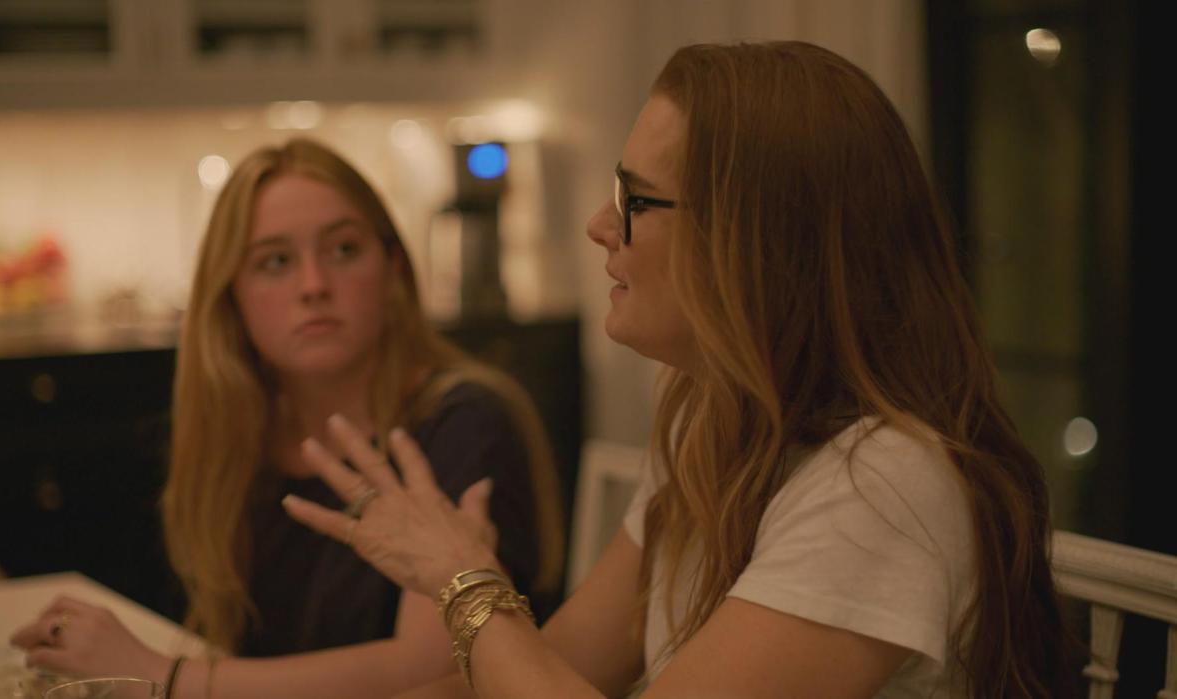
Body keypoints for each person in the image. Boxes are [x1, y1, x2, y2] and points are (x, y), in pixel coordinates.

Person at [284, 42, 1075, 698]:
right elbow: (566, 666)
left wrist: (463, 577)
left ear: (755, 245)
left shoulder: (884, 488)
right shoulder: (710, 416)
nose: (600, 226)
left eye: (636, 199)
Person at [11, 138, 564, 699]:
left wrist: (166, 676)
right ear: (232, 298)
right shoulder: (234, 436)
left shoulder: (465, 421)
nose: (314, 286)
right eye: (275, 261)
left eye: (344, 250)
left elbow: (434, 665)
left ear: (393, 269)